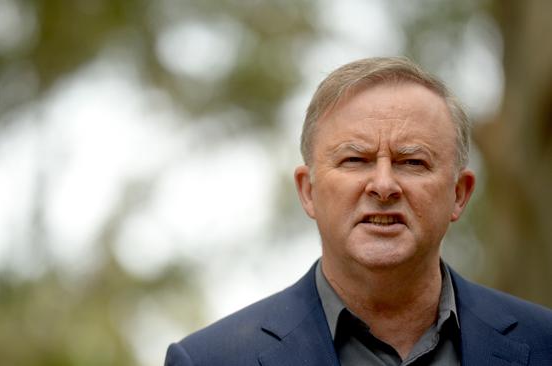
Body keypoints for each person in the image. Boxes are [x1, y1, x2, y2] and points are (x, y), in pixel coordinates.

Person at [164, 57, 552, 366]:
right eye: (354, 160)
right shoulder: (211, 360)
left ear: (459, 194)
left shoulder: (543, 343)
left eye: (412, 162)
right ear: (308, 191)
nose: (383, 186)